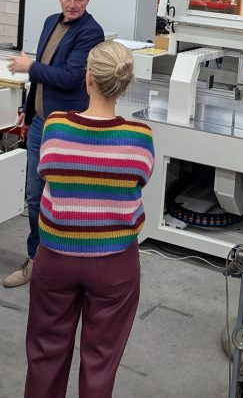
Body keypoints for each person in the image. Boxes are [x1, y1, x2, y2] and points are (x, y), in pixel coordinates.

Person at [23, 41, 154, 398]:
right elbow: (140, 179)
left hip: (55, 256)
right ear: (124, 83)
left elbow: (46, 171)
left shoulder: (56, 126)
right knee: (100, 363)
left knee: (45, 355)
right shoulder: (140, 137)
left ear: (88, 78)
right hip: (115, 261)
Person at [3, 0, 104, 288]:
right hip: (40, 124)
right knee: (35, 197)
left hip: (66, 128)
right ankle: (36, 259)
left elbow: (71, 78)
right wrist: (28, 109)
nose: (72, 4)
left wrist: (29, 66)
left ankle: (63, 263)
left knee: (62, 198)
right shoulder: (50, 22)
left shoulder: (91, 32)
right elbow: (42, 77)